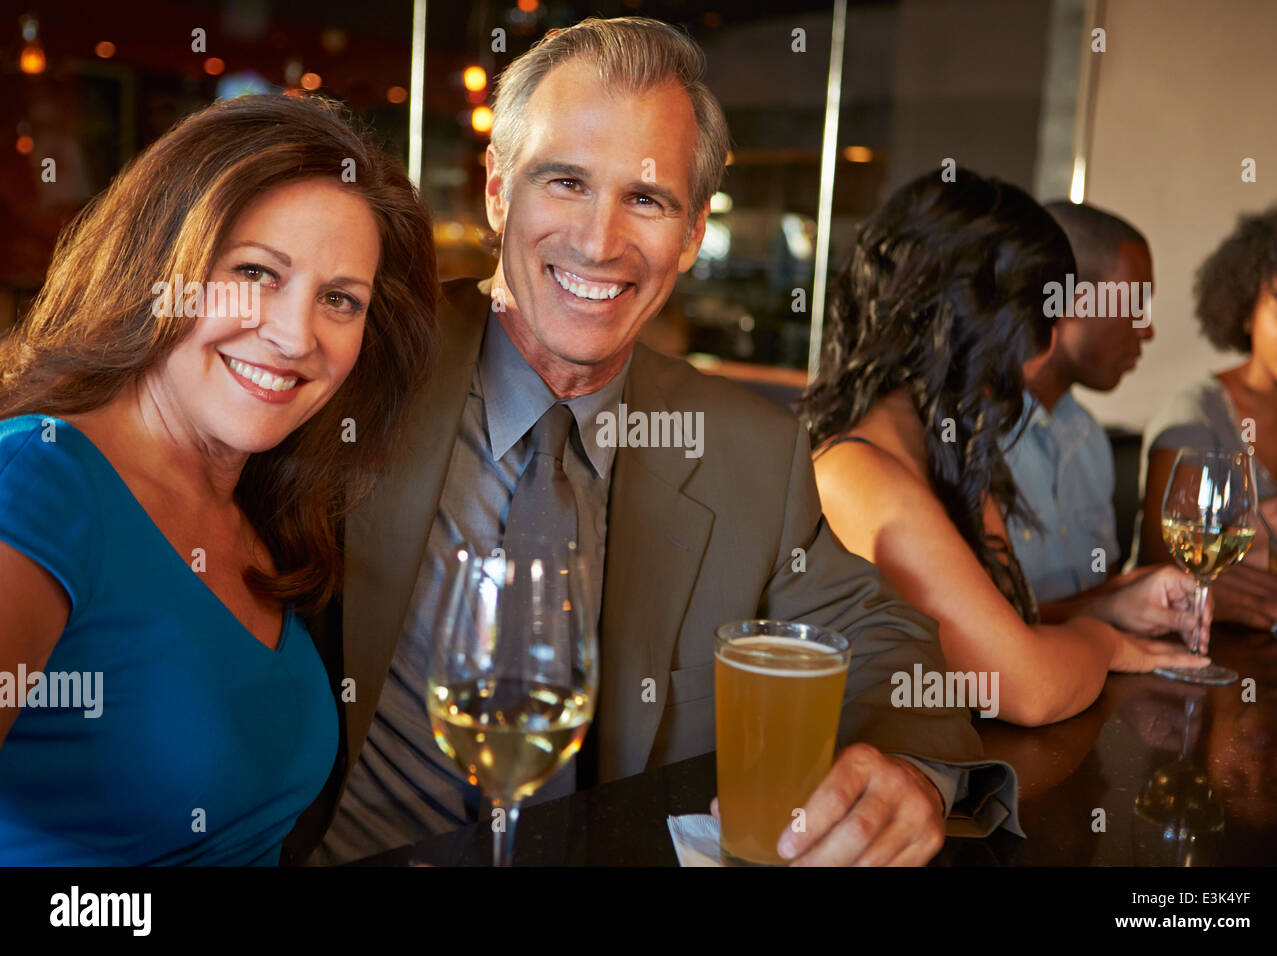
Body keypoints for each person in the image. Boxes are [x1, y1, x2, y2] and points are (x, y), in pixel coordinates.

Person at [290, 16, 1018, 870]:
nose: (599, 242)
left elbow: (884, 641)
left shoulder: (750, 450)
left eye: (646, 198)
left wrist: (912, 773)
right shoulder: (353, 363)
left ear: (695, 231)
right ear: (497, 192)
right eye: (564, 181)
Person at [0, 94, 439, 864]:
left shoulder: (266, 516)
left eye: (340, 300)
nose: (294, 335)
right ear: (157, 264)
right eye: (256, 273)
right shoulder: (35, 480)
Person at [802, 169, 1209, 730]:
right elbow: (1026, 687)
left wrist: (1108, 605)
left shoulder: (946, 452)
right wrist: (1105, 641)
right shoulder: (858, 473)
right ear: (982, 326)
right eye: (1043, 322)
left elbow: (1004, 620)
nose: (1044, 353)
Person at [1000, 203, 1207, 639]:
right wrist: (1111, 606)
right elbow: (968, 625)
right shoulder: (972, 437)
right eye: (1135, 302)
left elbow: (1105, 587)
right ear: (1065, 298)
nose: (1146, 330)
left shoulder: (1088, 438)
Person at [1138, 200, 1277, 632]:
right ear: (1246, 312)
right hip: (1198, 650)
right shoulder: (1196, 414)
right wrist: (1250, 535)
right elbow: (1157, 567)